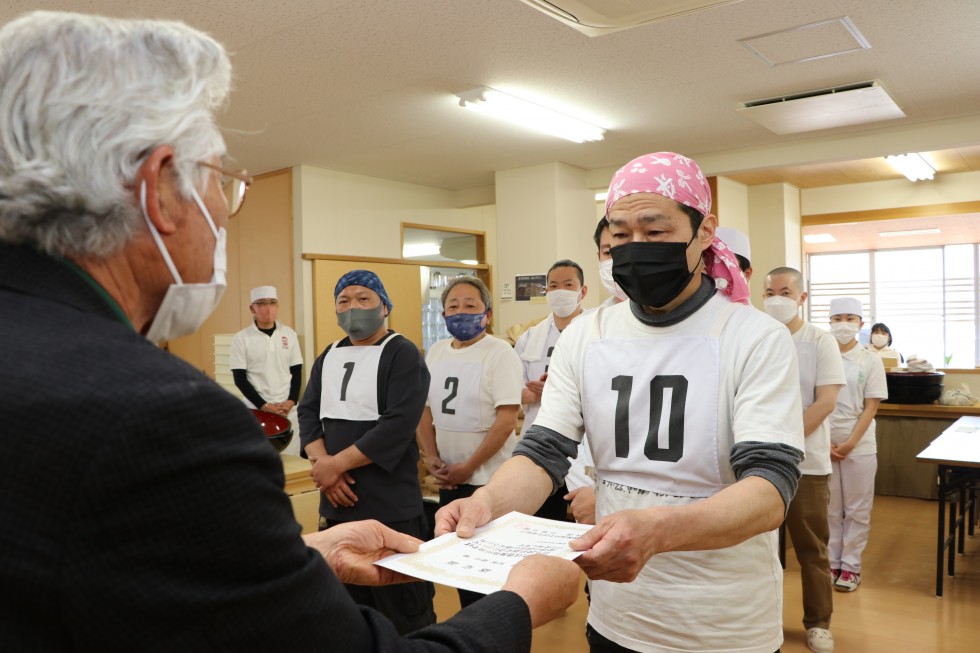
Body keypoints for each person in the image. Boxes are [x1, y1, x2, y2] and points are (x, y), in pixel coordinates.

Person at [0, 11, 580, 651]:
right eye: (220, 180)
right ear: (161, 189)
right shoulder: (160, 418)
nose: (223, 209)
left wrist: (301, 551)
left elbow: (97, 571)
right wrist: (520, 603)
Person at [437, 151, 806, 653]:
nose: (635, 248)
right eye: (620, 235)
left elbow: (769, 487)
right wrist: (487, 503)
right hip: (617, 612)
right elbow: (545, 451)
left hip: (723, 621)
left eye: (655, 233)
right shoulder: (588, 335)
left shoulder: (753, 337)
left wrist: (659, 529)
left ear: (704, 231)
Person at [297, 270, 437, 634]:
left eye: (363, 299)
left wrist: (334, 466)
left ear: (385, 307)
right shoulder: (329, 354)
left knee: (405, 614)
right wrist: (323, 467)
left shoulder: (402, 353)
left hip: (389, 505)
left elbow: (397, 424)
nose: (352, 307)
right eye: (344, 301)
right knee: (342, 614)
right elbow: (308, 411)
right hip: (337, 505)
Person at [416, 275, 523, 607]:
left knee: (491, 575)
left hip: (487, 482)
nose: (460, 312)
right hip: (448, 479)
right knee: (461, 569)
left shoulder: (500, 352)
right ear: (443, 315)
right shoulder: (435, 352)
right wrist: (430, 455)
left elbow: (506, 420)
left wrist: (469, 466)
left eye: (470, 305)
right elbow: (425, 409)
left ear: (487, 315)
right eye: (452, 306)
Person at [763, 267, 845, 653]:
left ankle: (818, 623)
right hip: (759, 464)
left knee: (812, 547)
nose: (775, 298)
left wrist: (787, 443)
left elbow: (826, 401)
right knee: (759, 548)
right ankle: (762, 619)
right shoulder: (758, 336)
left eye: (784, 291)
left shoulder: (819, 341)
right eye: (768, 291)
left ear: (801, 297)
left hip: (806, 464)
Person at [827, 297, 888, 593]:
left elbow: (871, 407)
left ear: (860, 324)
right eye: (837, 318)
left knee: (857, 509)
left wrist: (850, 442)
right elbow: (814, 402)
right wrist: (823, 442)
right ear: (829, 322)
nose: (843, 324)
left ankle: (850, 567)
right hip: (823, 442)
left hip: (859, 443)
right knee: (830, 508)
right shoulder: (820, 355)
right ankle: (831, 561)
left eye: (850, 318)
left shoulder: (870, 359)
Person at [231, 285, 303, 455]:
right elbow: (239, 379)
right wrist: (264, 405)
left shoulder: (289, 334)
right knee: (260, 458)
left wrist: (291, 401)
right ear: (252, 308)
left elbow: (297, 371)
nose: (268, 308)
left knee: (292, 459)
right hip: (256, 410)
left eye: (272, 303)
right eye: (261, 303)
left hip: (288, 410)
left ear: (277, 306)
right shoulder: (241, 338)